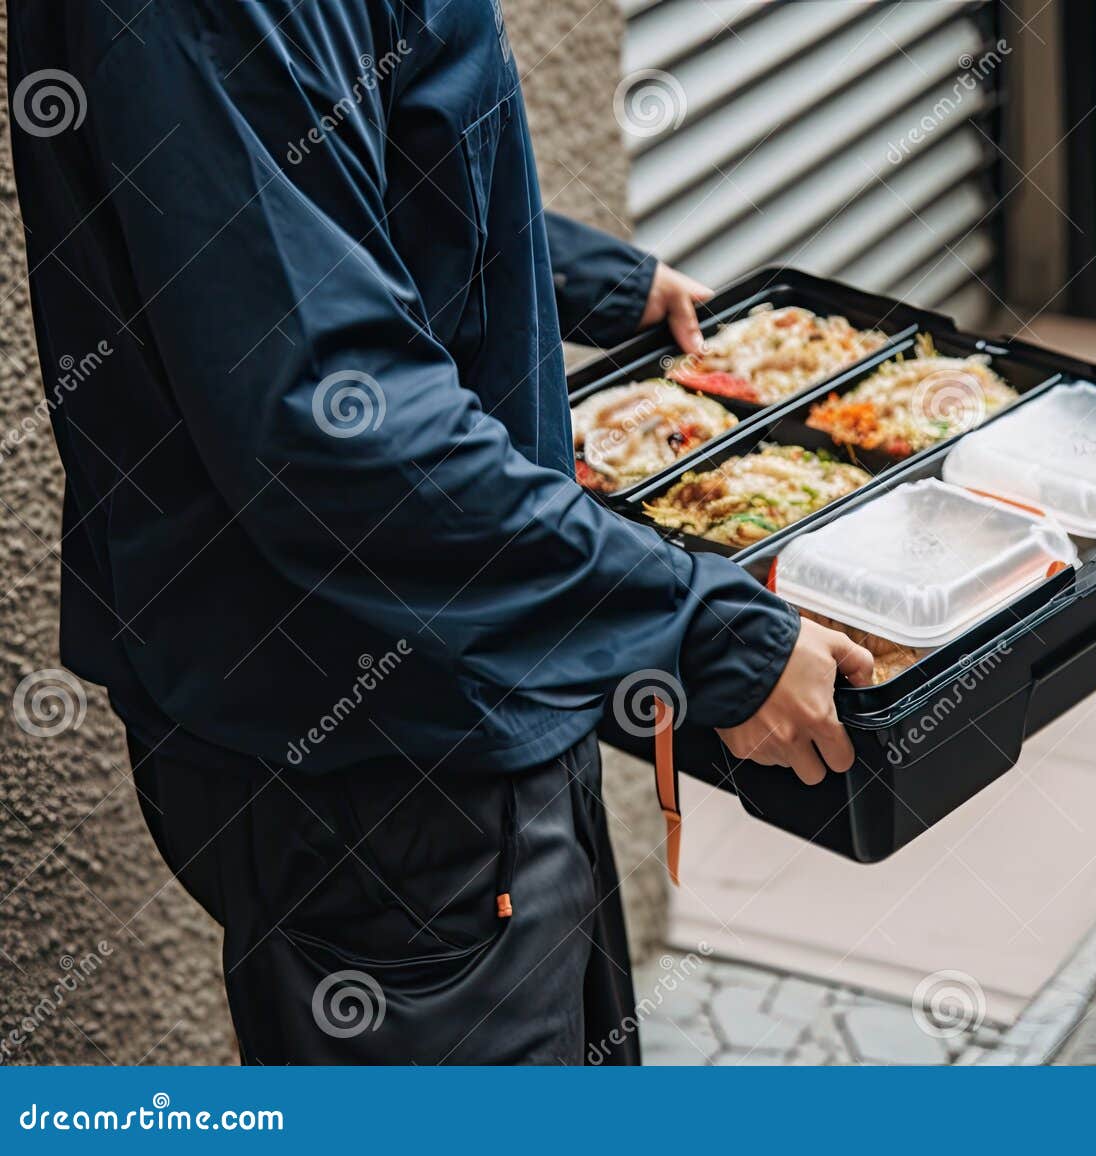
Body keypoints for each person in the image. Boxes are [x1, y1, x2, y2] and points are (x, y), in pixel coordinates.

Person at [7, 0, 872, 1064]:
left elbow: (309, 185)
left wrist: (577, 276)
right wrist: (700, 630)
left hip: (441, 711)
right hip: (391, 765)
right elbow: (335, 424)